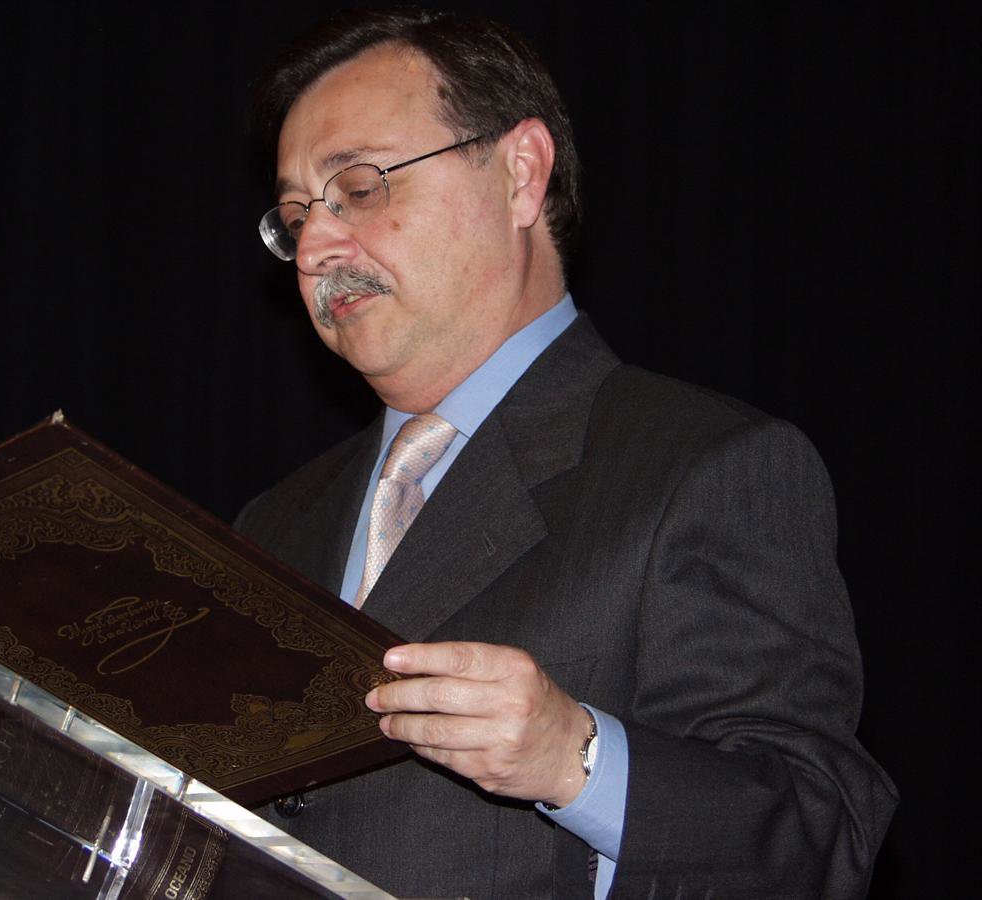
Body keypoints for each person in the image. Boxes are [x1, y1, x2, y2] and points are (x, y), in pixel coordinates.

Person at [237, 8, 896, 899]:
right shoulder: (273, 523)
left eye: (358, 186)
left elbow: (818, 839)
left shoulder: (707, 467)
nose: (316, 247)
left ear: (520, 174)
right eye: (294, 216)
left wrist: (576, 759)